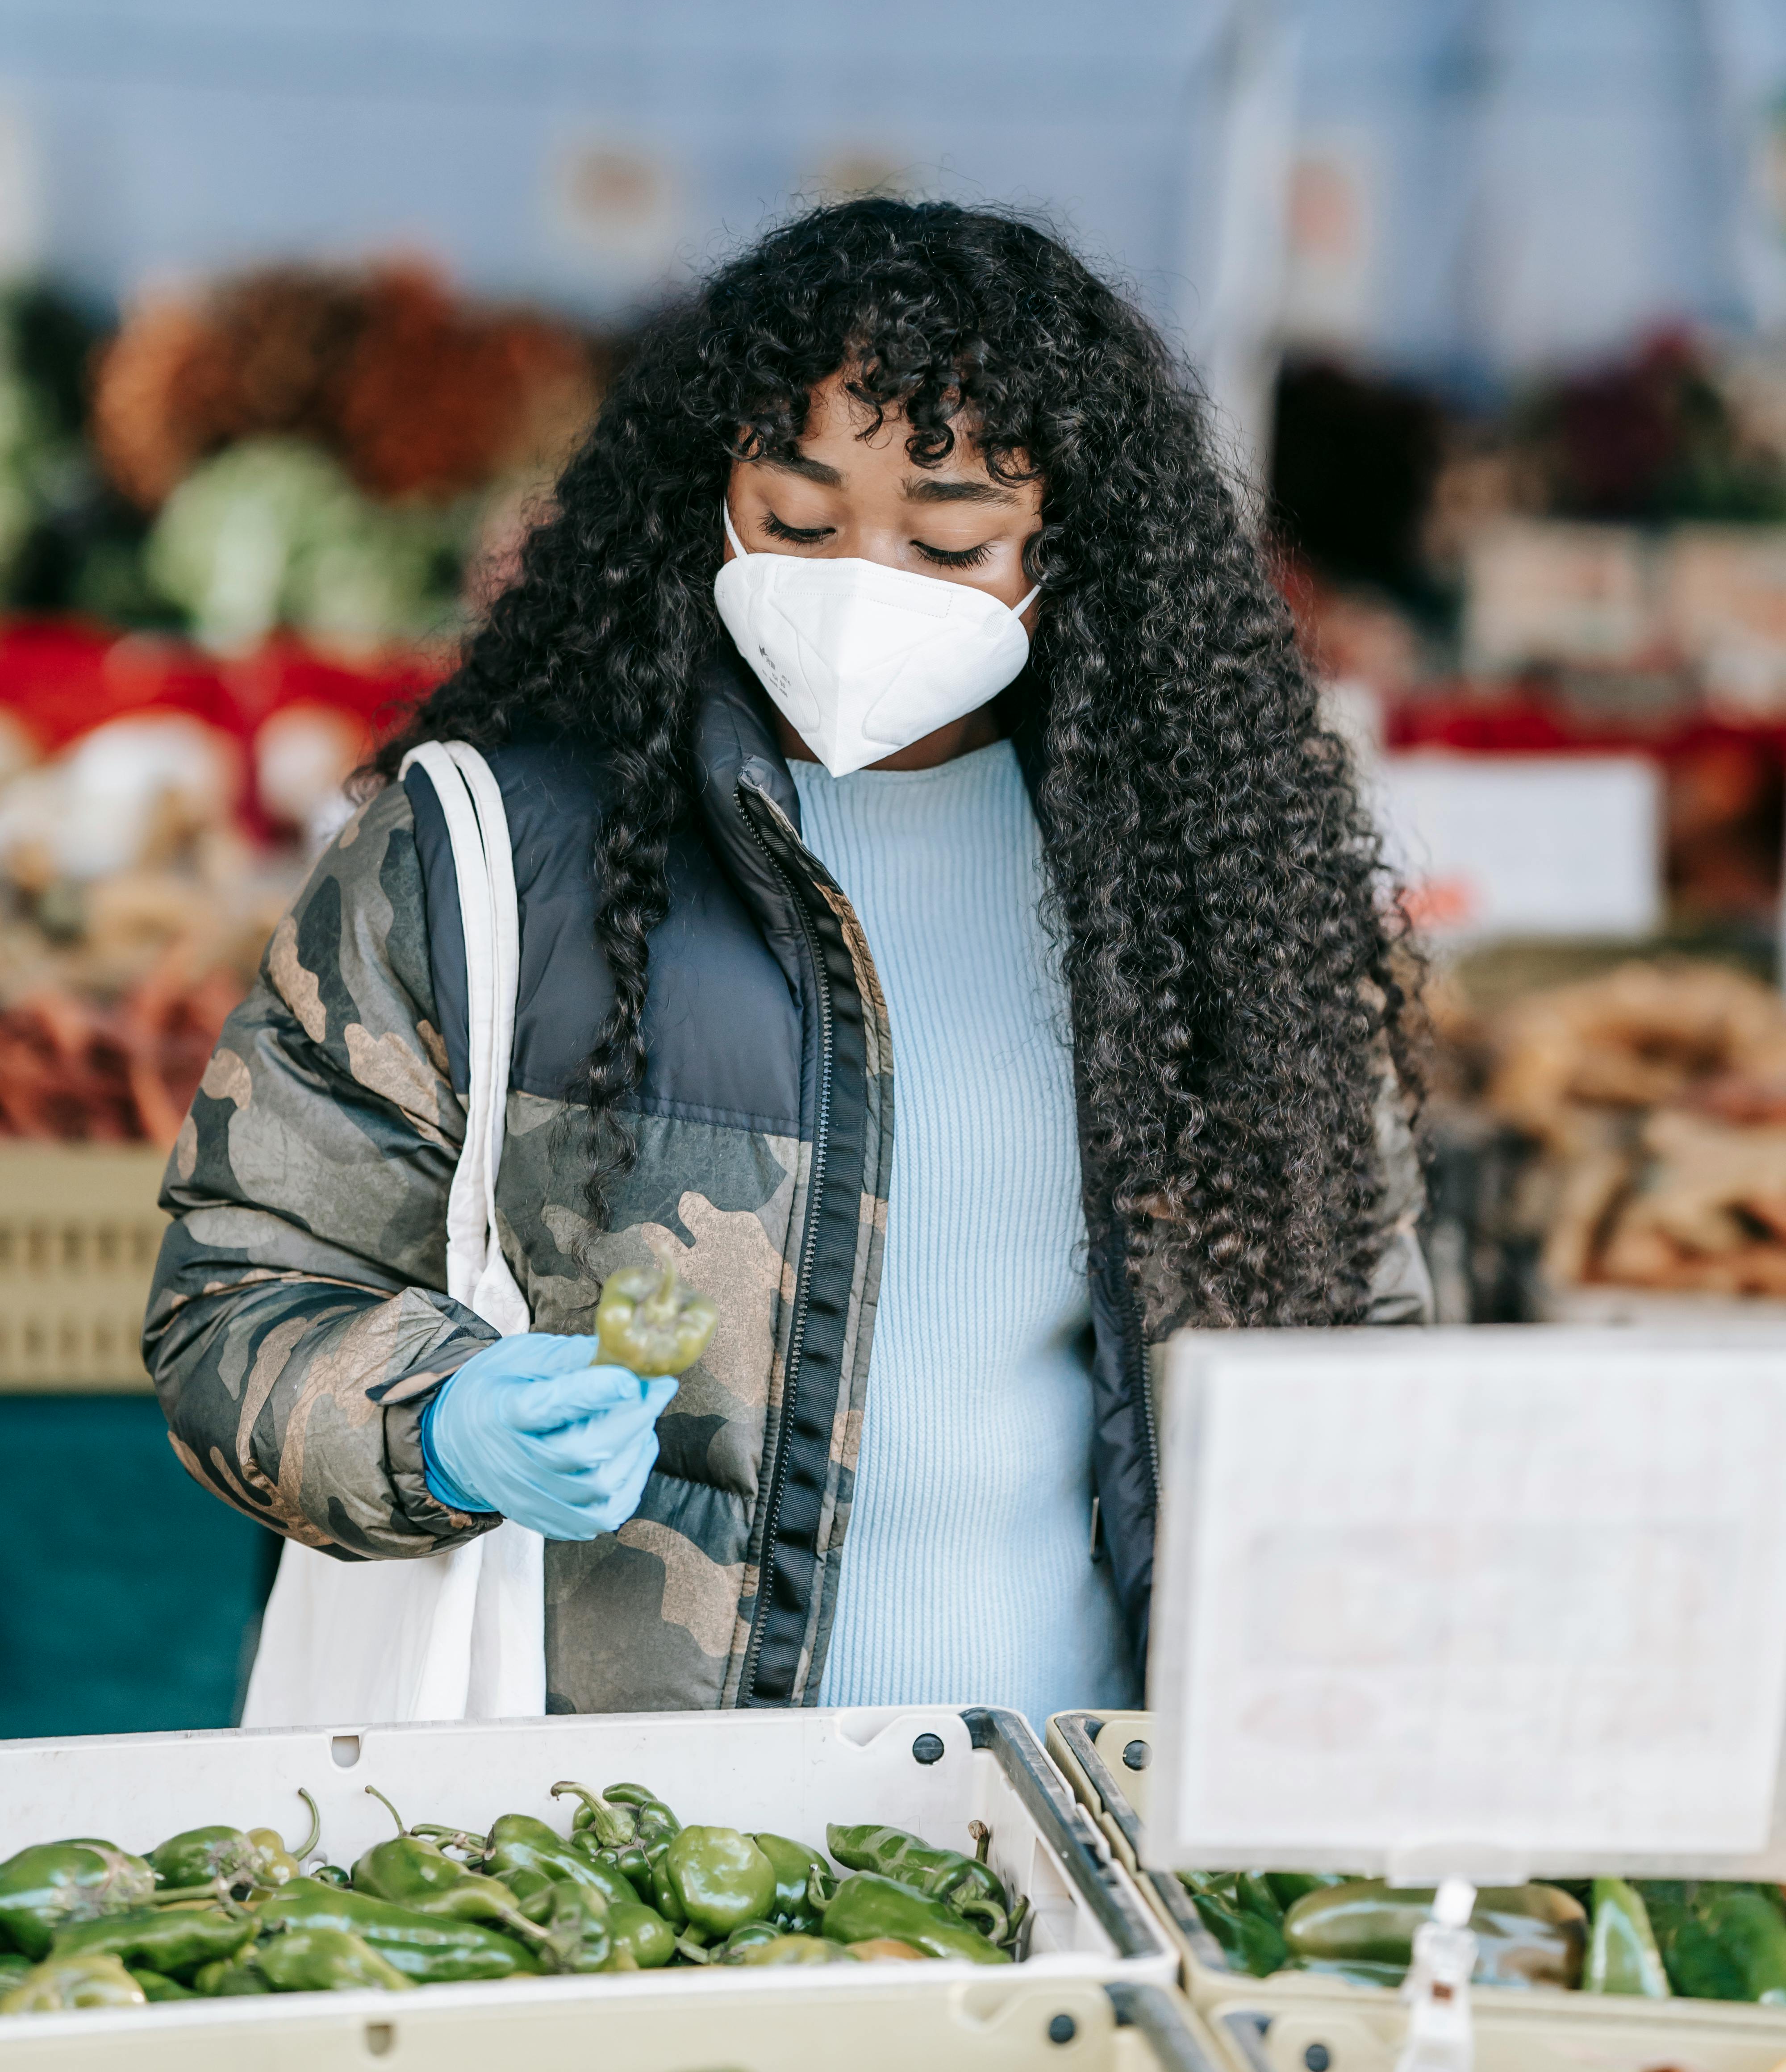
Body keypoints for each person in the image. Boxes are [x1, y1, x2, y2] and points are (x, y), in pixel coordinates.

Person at [145, 199, 1430, 1723]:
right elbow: (237, 1297)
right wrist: (435, 1419)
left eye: (949, 541)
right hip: (616, 1857)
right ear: (712, 499)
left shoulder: (1212, 895)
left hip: (1079, 1804)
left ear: (1067, 550)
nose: (862, 585)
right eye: (799, 523)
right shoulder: (487, 854)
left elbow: (1356, 1363)